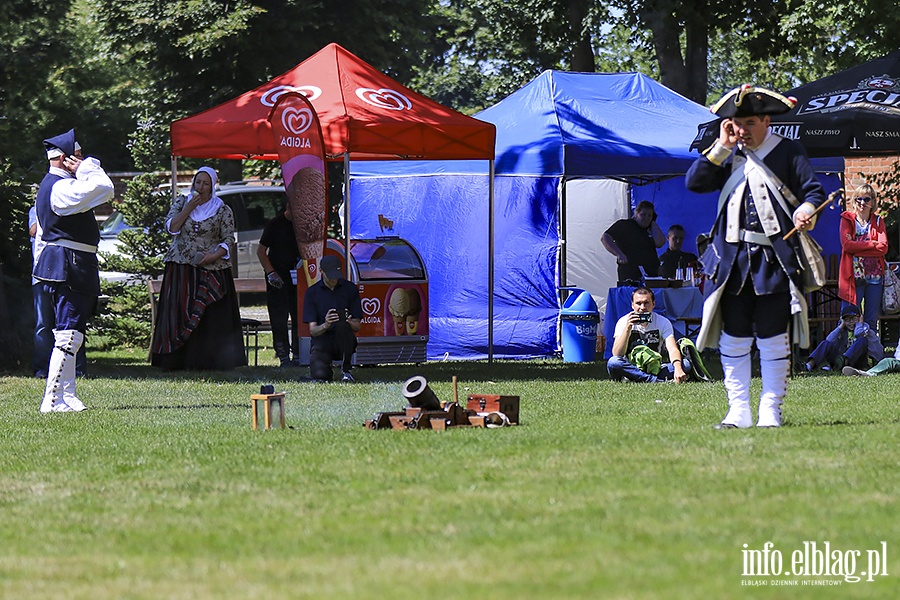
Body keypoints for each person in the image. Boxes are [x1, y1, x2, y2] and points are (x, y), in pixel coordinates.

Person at [685, 84, 826, 429]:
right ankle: (738, 411)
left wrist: (806, 210)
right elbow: (695, 182)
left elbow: (813, 191)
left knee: (773, 336)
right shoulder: (726, 154)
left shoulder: (788, 152)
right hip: (732, 262)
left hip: (774, 261)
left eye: (748, 123)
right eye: (736, 123)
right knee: (734, 336)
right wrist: (722, 145)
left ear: (765, 120)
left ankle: (770, 409)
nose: (742, 131)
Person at [33, 129, 114, 412]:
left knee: (72, 331)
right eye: (78, 156)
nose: (83, 160)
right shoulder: (61, 187)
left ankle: (67, 395)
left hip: (70, 262)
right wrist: (88, 168)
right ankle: (52, 398)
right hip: (68, 263)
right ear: (66, 159)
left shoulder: (57, 185)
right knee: (69, 333)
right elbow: (105, 188)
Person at [150, 167, 246, 370]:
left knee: (209, 316)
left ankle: (210, 360)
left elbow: (229, 239)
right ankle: (176, 360)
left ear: (212, 186)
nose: (200, 187)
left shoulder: (222, 209)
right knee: (179, 312)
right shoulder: (181, 202)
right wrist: (188, 208)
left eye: (205, 184)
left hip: (211, 267)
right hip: (181, 268)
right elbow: (172, 228)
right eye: (198, 182)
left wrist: (214, 255)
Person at [607, 287, 690, 383]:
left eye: (646, 303)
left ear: (653, 304)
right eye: (638, 303)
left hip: (654, 367)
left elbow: (672, 349)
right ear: (632, 305)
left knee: (686, 364)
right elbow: (617, 354)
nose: (642, 308)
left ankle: (637, 378)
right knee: (613, 363)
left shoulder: (663, 322)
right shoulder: (623, 322)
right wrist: (628, 328)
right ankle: (654, 380)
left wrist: (678, 368)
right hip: (631, 366)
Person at [303, 255, 362, 382]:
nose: (334, 278)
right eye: (330, 275)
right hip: (322, 342)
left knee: (342, 326)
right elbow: (313, 331)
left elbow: (357, 326)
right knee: (320, 376)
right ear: (321, 271)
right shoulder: (312, 293)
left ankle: (346, 370)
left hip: (344, 340)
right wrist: (326, 324)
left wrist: (349, 321)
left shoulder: (350, 289)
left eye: (336, 274)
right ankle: (324, 369)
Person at [256, 204, 302, 367]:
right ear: (288, 207)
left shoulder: (302, 225)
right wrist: (271, 272)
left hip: (298, 277)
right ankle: (282, 355)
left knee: (299, 316)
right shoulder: (274, 225)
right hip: (278, 278)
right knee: (279, 318)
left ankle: (299, 354)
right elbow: (261, 251)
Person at [837, 183, 887, 330]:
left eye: (866, 199)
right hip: (852, 277)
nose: (862, 203)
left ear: (873, 202)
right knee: (848, 318)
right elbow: (847, 246)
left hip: (875, 277)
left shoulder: (878, 221)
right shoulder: (846, 220)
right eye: (859, 199)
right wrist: (872, 244)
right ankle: (843, 351)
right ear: (854, 201)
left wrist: (857, 248)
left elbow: (883, 247)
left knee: (871, 320)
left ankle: (870, 351)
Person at [601, 200, 666, 284]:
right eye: (643, 214)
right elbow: (605, 238)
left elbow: (660, 243)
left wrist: (653, 222)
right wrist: (619, 254)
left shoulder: (651, 229)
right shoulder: (625, 225)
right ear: (636, 214)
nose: (646, 218)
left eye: (649, 215)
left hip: (651, 276)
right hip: (630, 275)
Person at [803, 305, 883, 372]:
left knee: (862, 340)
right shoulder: (842, 330)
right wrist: (841, 326)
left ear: (860, 318)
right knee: (825, 343)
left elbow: (858, 334)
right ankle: (809, 365)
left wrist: (859, 323)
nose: (851, 322)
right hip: (839, 360)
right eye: (847, 320)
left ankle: (844, 364)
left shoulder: (865, 328)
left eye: (854, 319)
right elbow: (829, 339)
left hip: (858, 360)